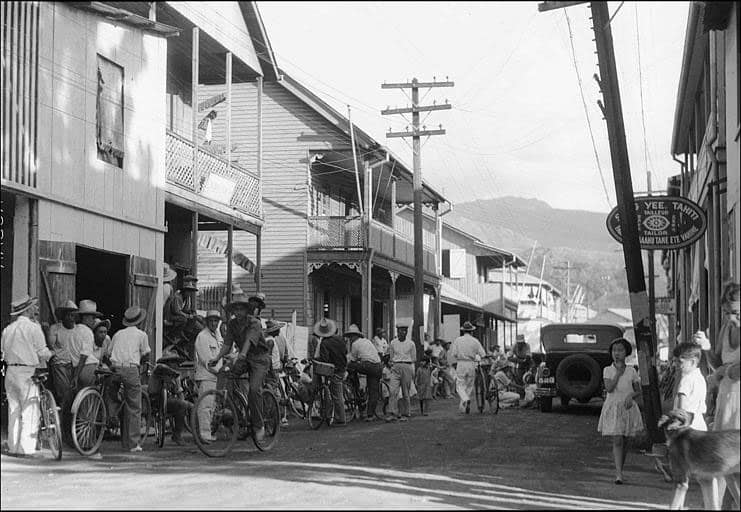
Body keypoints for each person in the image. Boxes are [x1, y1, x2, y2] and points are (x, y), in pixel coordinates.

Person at [210, 290, 270, 442]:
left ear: (246, 310)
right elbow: (227, 344)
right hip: (243, 358)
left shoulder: (254, 323)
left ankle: (259, 425)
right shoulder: (232, 324)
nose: (238, 312)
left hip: (259, 359)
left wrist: (242, 355)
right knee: (224, 374)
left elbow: (249, 340)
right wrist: (217, 358)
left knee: (254, 390)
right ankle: (238, 416)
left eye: (241, 309)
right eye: (235, 309)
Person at [703, 282, 740, 508]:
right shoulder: (726, 328)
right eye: (727, 312)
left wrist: (723, 371)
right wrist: (707, 347)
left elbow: (731, 370)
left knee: (728, 463)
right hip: (726, 400)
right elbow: (718, 362)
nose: (731, 318)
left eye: (736, 312)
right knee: (723, 464)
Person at [1, 295, 52, 456]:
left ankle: (13, 446)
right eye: (34, 307)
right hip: (26, 371)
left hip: (10, 371)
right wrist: (50, 354)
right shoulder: (33, 328)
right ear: (28, 310)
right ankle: (26, 449)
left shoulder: (8, 330)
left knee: (13, 410)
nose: (36, 310)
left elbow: (3, 351)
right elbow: (42, 352)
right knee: (29, 410)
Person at [597, 337, 644, 485]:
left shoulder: (632, 371)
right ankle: (618, 474)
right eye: (614, 350)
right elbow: (609, 388)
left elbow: (639, 390)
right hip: (613, 406)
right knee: (617, 439)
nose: (617, 353)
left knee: (625, 440)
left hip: (627, 407)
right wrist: (618, 373)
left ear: (626, 353)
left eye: (620, 350)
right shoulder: (607, 370)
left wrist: (632, 395)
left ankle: (620, 469)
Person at [109, 306, 152, 452]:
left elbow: (109, 352)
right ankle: (133, 444)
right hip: (131, 370)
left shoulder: (117, 334)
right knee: (134, 407)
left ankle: (113, 420)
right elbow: (146, 353)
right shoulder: (142, 335)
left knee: (117, 400)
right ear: (139, 321)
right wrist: (142, 359)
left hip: (115, 369)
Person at [45, 300, 81, 424]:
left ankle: (69, 425)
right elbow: (51, 345)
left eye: (73, 315)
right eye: (68, 315)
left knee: (74, 395)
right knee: (64, 394)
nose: (71, 318)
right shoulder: (55, 328)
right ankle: (62, 425)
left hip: (74, 365)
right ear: (63, 316)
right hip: (59, 365)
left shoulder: (78, 330)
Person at [194, 310, 223, 442]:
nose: (213, 323)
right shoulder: (202, 337)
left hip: (216, 376)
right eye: (211, 321)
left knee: (211, 406)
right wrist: (218, 370)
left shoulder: (217, 335)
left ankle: (207, 433)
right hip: (206, 375)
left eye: (216, 321)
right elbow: (206, 359)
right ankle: (204, 435)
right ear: (206, 322)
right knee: (205, 407)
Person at [345, 324, 382, 422]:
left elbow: (353, 359)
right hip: (378, 366)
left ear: (354, 336)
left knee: (350, 366)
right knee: (373, 391)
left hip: (367, 365)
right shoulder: (367, 341)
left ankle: (355, 387)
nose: (350, 339)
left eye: (351, 337)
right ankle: (370, 415)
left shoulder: (355, 344)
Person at [449, 321, 485, 414]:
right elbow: (482, 354)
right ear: (471, 331)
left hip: (461, 363)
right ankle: (463, 406)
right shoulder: (475, 341)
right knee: (469, 385)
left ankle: (465, 400)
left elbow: (454, 354)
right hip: (471, 364)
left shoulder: (458, 340)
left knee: (460, 385)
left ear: (463, 331)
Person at [316, 320, 348, 426]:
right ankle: (333, 415)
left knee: (336, 395)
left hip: (334, 370)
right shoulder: (340, 339)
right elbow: (345, 352)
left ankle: (340, 419)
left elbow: (324, 359)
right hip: (343, 368)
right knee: (337, 393)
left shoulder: (324, 343)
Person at [672, 341, 708, 431]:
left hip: (687, 425)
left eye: (680, 362)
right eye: (675, 361)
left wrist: (678, 422)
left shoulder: (686, 380)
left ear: (692, 362)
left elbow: (682, 407)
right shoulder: (700, 378)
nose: (675, 365)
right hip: (699, 423)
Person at [386, 324, 416, 422]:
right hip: (395, 366)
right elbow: (391, 357)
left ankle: (405, 413)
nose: (401, 332)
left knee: (405, 392)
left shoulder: (411, 344)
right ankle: (392, 413)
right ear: (397, 331)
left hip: (407, 366)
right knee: (393, 390)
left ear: (407, 332)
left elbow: (414, 358)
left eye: (404, 330)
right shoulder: (393, 343)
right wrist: (392, 365)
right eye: (400, 330)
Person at [70, 299, 101, 389]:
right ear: (85, 317)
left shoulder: (73, 330)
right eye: (93, 318)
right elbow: (84, 355)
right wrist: (76, 375)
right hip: (87, 368)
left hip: (76, 367)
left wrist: (76, 375)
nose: (94, 321)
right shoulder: (87, 332)